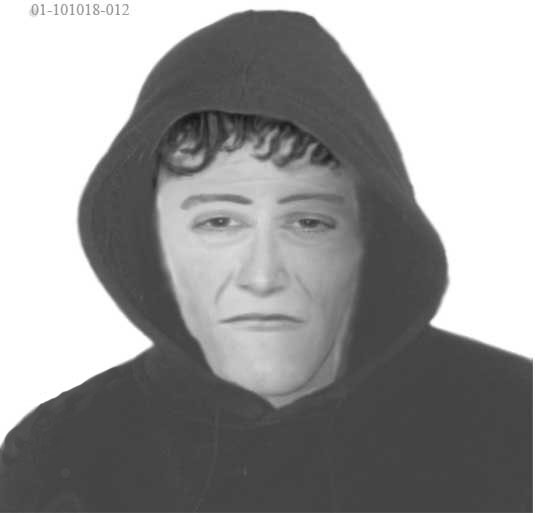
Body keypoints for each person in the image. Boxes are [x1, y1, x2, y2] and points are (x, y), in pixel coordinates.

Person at [0, 9, 531, 513]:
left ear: (372, 237)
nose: (262, 276)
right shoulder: (57, 453)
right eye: (218, 222)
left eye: (309, 223)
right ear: (150, 238)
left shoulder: (517, 422)